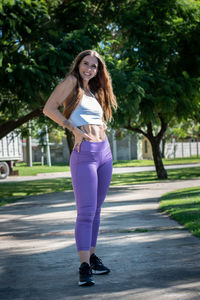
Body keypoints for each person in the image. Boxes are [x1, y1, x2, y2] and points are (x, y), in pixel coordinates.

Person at [43, 49, 117, 286]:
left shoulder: (91, 91)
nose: (89, 69)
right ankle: (84, 266)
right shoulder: (71, 81)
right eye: (86, 63)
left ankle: (92, 257)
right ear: (78, 64)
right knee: (85, 212)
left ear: (98, 70)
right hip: (84, 153)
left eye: (94, 66)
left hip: (104, 152)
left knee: (96, 211)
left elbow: (94, 117)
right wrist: (72, 128)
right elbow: (49, 108)